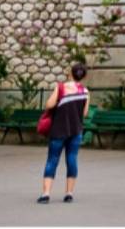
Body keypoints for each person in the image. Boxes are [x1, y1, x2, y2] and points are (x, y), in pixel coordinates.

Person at [38, 63, 90, 203]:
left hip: (58, 130)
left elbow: (48, 104)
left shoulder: (60, 87)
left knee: (52, 160)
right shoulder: (85, 91)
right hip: (76, 130)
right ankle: (69, 193)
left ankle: (46, 194)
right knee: (72, 159)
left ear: (70, 73)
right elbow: (84, 113)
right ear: (83, 76)